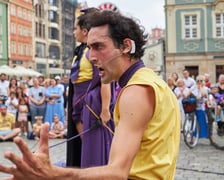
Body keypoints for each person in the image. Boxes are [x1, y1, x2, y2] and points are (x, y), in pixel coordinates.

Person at [0, 10, 180, 179]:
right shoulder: (154, 82)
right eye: (89, 48)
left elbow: (117, 173)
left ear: (126, 46)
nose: (91, 57)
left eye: (98, 47)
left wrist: (52, 173)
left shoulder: (136, 91)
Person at [66, 8, 116, 168]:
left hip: (89, 103)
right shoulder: (79, 51)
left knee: (92, 146)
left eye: (75, 28)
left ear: (85, 30)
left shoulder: (90, 52)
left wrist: (105, 109)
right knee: (84, 147)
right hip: (77, 104)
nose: (74, 32)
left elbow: (105, 80)